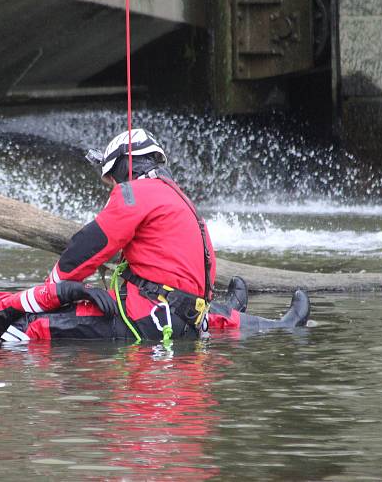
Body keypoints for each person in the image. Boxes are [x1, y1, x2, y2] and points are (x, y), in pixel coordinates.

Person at [47, 127, 310, 341]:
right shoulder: (176, 195)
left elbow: (88, 246)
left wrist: (50, 291)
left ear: (121, 169)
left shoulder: (134, 193)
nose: (112, 187)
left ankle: (260, 321)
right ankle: (265, 322)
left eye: (111, 179)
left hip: (151, 317)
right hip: (185, 313)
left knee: (42, 323)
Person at [0, 246, 308, 342]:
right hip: (46, 332)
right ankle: (279, 327)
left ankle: (227, 313)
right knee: (149, 312)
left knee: (148, 309)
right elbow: (17, 303)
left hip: (37, 335)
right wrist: (69, 288)